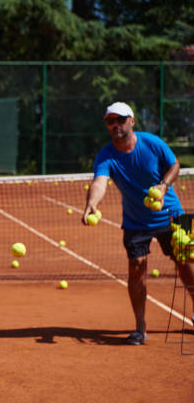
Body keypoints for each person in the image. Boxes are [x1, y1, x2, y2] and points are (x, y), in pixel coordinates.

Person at [82, 101, 194, 345]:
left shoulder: (152, 143)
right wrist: (92, 203)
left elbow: (175, 165)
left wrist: (163, 186)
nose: (115, 125)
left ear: (132, 121)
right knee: (136, 270)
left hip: (173, 214)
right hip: (135, 221)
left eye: (120, 120)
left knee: (188, 265)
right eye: (110, 121)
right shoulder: (106, 156)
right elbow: (99, 182)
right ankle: (140, 328)